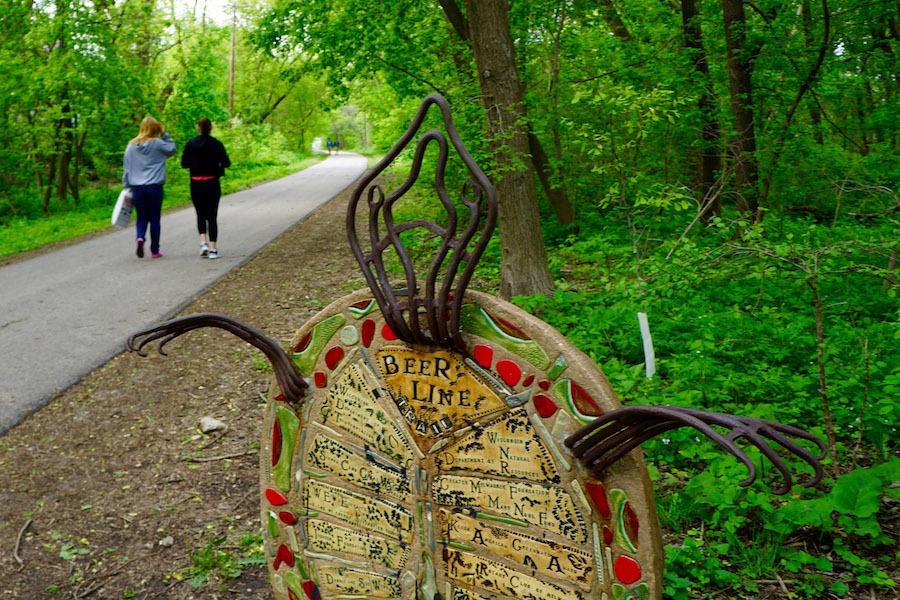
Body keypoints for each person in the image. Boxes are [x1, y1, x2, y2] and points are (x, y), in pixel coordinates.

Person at [122, 116, 177, 259]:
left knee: (141, 217)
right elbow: (172, 149)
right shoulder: (158, 143)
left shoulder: (131, 145)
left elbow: (127, 169)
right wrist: (164, 134)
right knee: (154, 218)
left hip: (137, 188)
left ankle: (140, 238)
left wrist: (126, 186)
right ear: (156, 129)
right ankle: (155, 250)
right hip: (154, 187)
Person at [181, 117, 231, 259]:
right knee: (212, 216)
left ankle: (203, 243)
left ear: (198, 127)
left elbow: (184, 163)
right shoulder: (216, 144)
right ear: (211, 128)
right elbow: (227, 163)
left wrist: (196, 164)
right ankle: (213, 249)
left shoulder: (190, 144)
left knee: (200, 214)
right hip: (212, 183)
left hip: (196, 183)